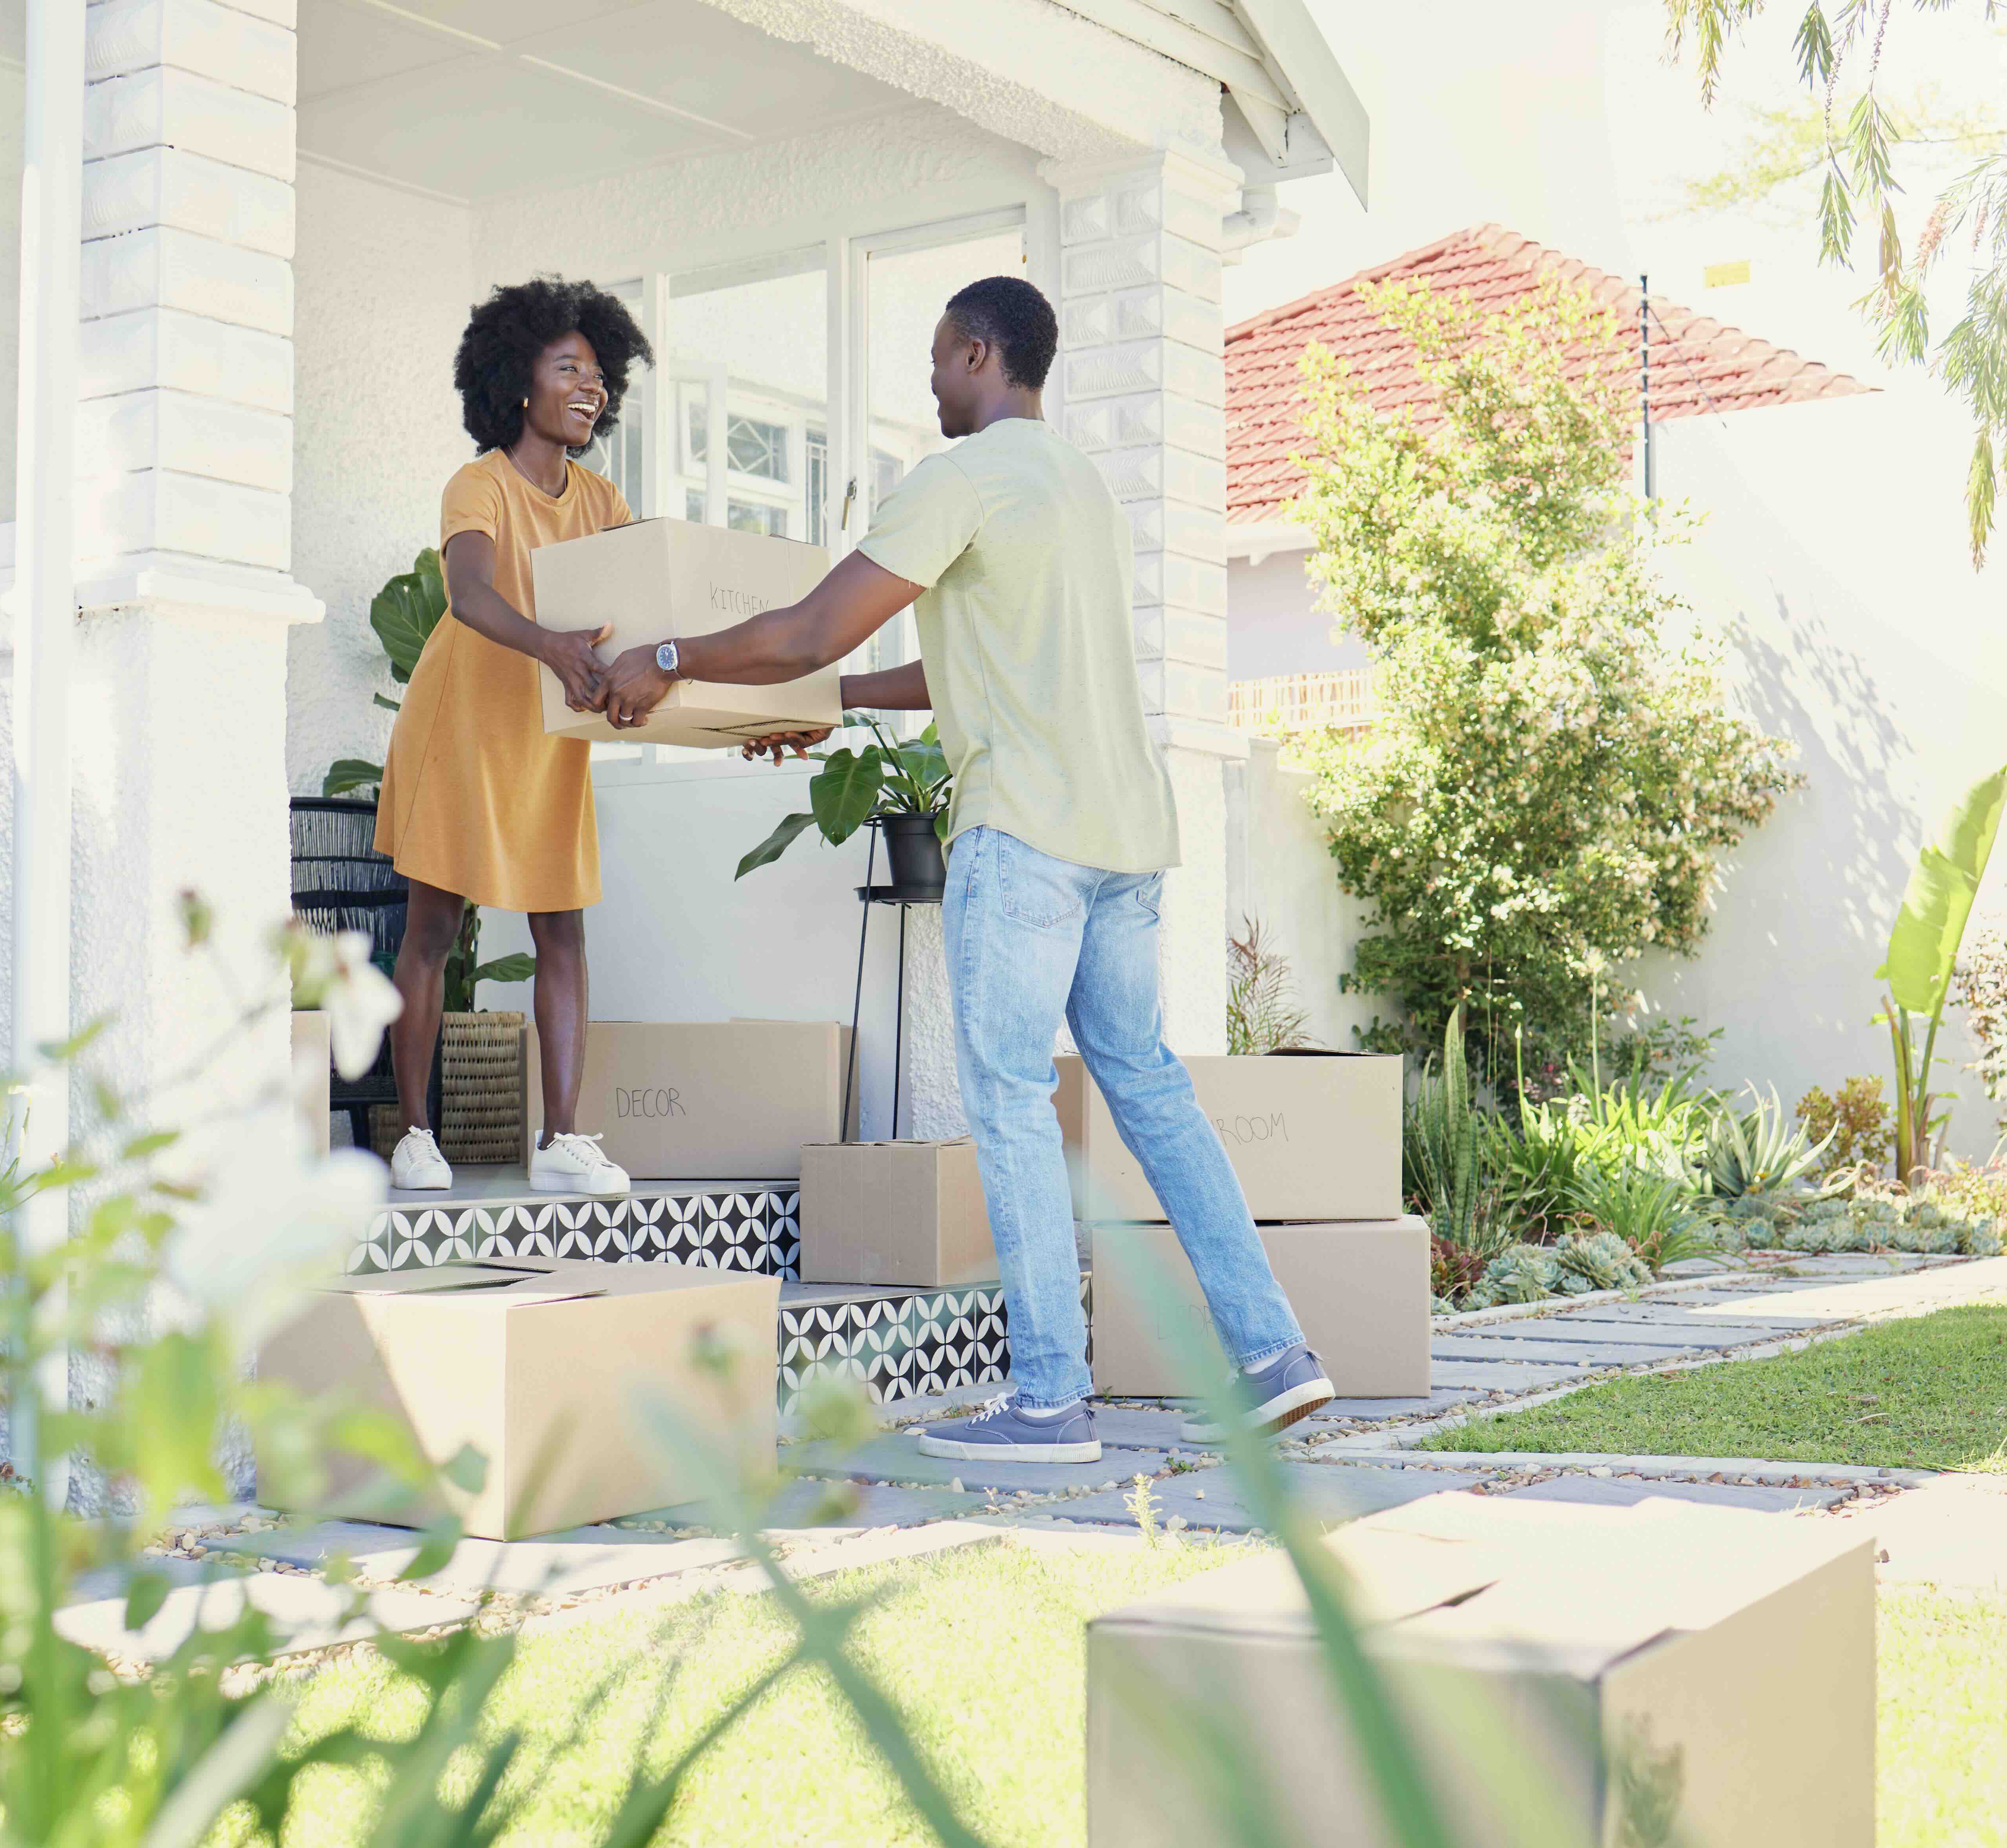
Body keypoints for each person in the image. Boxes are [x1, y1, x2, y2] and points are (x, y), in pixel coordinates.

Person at [593, 276, 1331, 1462]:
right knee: (1147, 1089)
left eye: (938, 360)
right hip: (1126, 842)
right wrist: (822, 705)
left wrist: (670, 657)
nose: (930, 382)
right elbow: (945, 667)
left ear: (980, 355)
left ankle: (1049, 1399)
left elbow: (810, 625)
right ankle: (1272, 1354)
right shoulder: (1074, 485)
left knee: (1004, 1100)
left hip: (1028, 834)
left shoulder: (961, 476)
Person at [372, 278, 651, 1197]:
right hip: (462, 724)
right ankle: (414, 1133)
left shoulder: (602, 498)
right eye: (568, 366)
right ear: (516, 382)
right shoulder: (479, 483)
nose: (592, 385)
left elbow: (651, 598)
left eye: (600, 372)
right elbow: (470, 594)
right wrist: (552, 647)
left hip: (546, 733)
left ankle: (562, 1138)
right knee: (434, 930)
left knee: (561, 929)